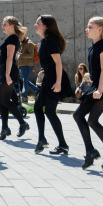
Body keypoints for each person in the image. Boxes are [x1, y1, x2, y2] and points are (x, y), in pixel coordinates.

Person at [73, 17, 103, 170]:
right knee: (80, 116)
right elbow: (93, 72)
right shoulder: (93, 47)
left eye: (90, 26)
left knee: (91, 120)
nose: (86, 29)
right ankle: (93, 151)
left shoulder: (102, 46)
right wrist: (83, 86)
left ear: (100, 29)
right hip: (95, 86)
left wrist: (100, 90)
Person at [32, 15, 71, 155]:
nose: (35, 25)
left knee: (48, 111)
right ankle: (43, 139)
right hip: (49, 79)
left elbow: (58, 63)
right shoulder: (44, 41)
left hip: (55, 80)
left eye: (38, 23)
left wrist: (58, 82)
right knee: (39, 108)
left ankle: (61, 144)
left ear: (46, 26)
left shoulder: (50, 41)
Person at [0, 16, 29, 140]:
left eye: (4, 24)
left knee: (3, 101)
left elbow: (10, 58)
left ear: (11, 25)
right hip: (5, 72)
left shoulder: (12, 38)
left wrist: (7, 75)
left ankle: (22, 123)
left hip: (8, 73)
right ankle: (5, 128)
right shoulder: (11, 38)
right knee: (1, 100)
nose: (2, 26)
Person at [17, 34, 39, 102]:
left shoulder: (29, 43)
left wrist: (21, 55)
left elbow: (31, 55)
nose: (19, 39)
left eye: (20, 37)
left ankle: (24, 96)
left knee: (24, 80)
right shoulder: (22, 43)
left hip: (26, 65)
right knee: (24, 80)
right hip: (22, 65)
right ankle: (37, 90)